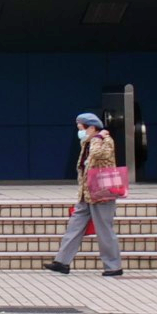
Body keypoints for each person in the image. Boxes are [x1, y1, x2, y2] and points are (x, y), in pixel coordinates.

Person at [46, 112, 123, 278]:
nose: (80, 132)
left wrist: (97, 138)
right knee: (74, 226)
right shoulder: (87, 142)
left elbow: (98, 155)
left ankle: (113, 266)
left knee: (104, 230)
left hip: (101, 193)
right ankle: (62, 262)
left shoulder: (104, 141)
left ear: (92, 128)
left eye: (82, 128)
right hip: (86, 194)